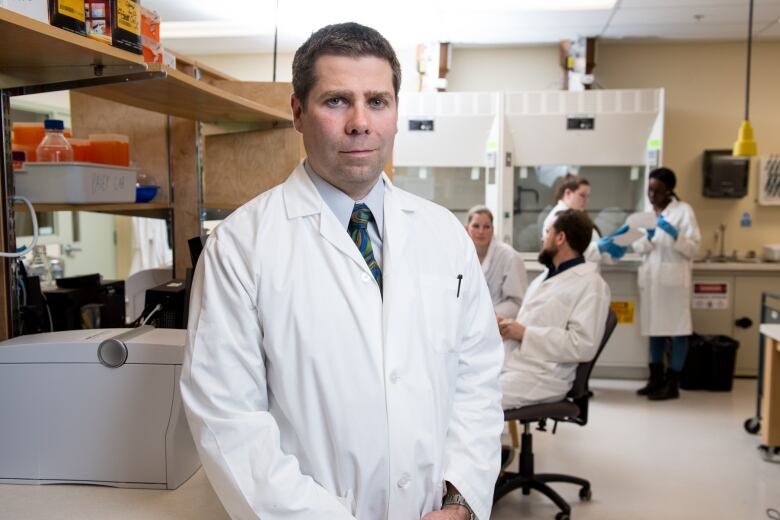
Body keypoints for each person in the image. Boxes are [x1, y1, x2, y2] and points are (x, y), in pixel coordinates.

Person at [180, 23, 504, 520]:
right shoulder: (240, 247)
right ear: (297, 113)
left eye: (378, 101)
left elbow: (477, 377)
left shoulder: (444, 235)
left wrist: (460, 499)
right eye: (336, 101)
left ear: (396, 111)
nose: (360, 122)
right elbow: (229, 420)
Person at [499, 209, 611, 409]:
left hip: (545, 376)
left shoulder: (591, 285)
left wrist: (525, 333)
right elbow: (534, 321)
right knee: (453, 388)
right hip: (518, 364)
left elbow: (583, 345)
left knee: (469, 403)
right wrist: (508, 327)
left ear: (560, 238)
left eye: (547, 232)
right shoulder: (546, 277)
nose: (543, 239)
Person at [633, 167, 701, 401]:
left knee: (678, 331)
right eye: (650, 190)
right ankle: (655, 379)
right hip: (652, 282)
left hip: (673, 283)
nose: (652, 195)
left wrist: (675, 235)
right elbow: (637, 247)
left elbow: (694, 248)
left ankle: (672, 384)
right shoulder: (647, 213)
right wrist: (649, 237)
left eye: (657, 191)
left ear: (669, 190)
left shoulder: (683, 212)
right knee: (655, 330)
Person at [541, 173, 626, 263]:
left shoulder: (577, 216)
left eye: (588, 196)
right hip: (571, 274)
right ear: (568, 193)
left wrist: (610, 251)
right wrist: (599, 247)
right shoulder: (557, 218)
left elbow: (589, 251)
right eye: (582, 195)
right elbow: (565, 254)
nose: (586, 200)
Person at [465, 205, 527, 319]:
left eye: (486, 227)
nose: (481, 231)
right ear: (466, 228)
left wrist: (486, 316)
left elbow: (516, 303)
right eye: (476, 226)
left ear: (493, 230)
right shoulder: (460, 257)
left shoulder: (510, 257)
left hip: (499, 325)